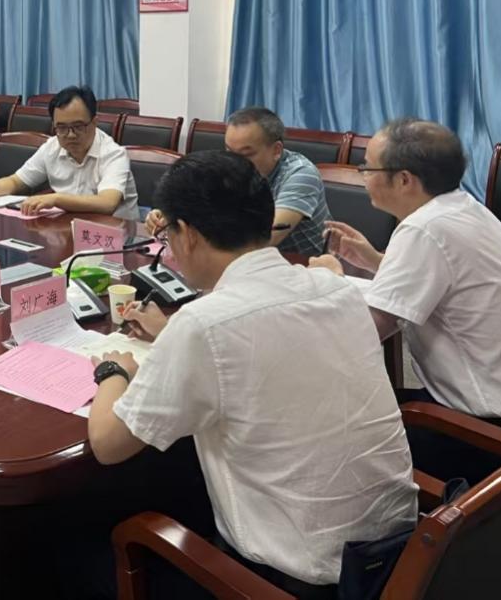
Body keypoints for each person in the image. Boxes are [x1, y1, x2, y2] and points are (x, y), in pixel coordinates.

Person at [85, 152, 416, 598]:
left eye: (168, 236)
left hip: (293, 579)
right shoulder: (333, 288)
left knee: (85, 554)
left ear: (188, 234)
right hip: (399, 558)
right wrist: (172, 336)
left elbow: (108, 445)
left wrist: (113, 371)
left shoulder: (204, 323)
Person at [309, 118, 501, 482]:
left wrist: (328, 278)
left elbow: (362, 334)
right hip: (500, 398)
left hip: (482, 432)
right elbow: (446, 284)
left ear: (404, 179)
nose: (363, 176)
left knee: (324, 434)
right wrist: (376, 261)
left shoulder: (424, 228)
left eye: (368, 168)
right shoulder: (463, 207)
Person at [147, 106, 330, 255]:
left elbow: (263, 239)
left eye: (246, 154)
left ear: (276, 150)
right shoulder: (227, 166)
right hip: (248, 264)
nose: (234, 162)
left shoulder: (301, 174)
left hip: (304, 268)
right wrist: (170, 217)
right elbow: (200, 203)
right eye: (229, 151)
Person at [0, 85, 138, 218]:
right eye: (62, 128)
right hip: (69, 227)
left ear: (94, 122)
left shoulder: (114, 154)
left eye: (78, 126)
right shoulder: (52, 148)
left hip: (115, 236)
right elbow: (16, 181)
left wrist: (56, 199)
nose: (70, 135)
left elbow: (107, 203)